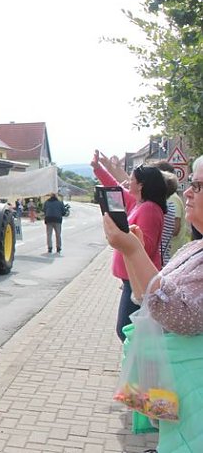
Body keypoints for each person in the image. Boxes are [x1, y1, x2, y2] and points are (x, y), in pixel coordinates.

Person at [102, 154, 203, 451]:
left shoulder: (150, 210)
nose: (186, 191)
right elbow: (150, 298)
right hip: (183, 406)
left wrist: (132, 252)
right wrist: (132, 254)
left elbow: (180, 313)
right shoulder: (195, 246)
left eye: (197, 185)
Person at [92, 149, 168, 341]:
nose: (128, 182)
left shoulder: (149, 209)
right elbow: (114, 188)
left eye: (132, 179)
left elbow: (146, 247)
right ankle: (138, 361)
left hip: (138, 281)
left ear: (141, 185)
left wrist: (124, 243)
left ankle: (141, 363)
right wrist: (98, 168)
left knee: (127, 330)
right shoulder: (139, 203)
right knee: (128, 329)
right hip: (130, 279)